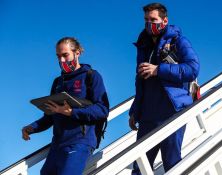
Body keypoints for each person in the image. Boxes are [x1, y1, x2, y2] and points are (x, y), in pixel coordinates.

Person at [129, 3, 200, 174]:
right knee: (140, 166)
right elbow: (141, 83)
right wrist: (135, 111)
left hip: (171, 111)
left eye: (153, 20)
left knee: (172, 163)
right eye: (146, 20)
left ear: (165, 20)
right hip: (147, 115)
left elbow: (192, 68)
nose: (149, 24)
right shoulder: (143, 46)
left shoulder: (179, 41)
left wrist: (158, 69)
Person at [21, 37, 109, 175]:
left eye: (65, 55)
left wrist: (71, 112)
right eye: (58, 56)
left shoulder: (91, 76)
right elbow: (51, 115)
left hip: (79, 142)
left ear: (77, 53)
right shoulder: (57, 82)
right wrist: (32, 127)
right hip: (57, 145)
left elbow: (102, 109)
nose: (61, 60)